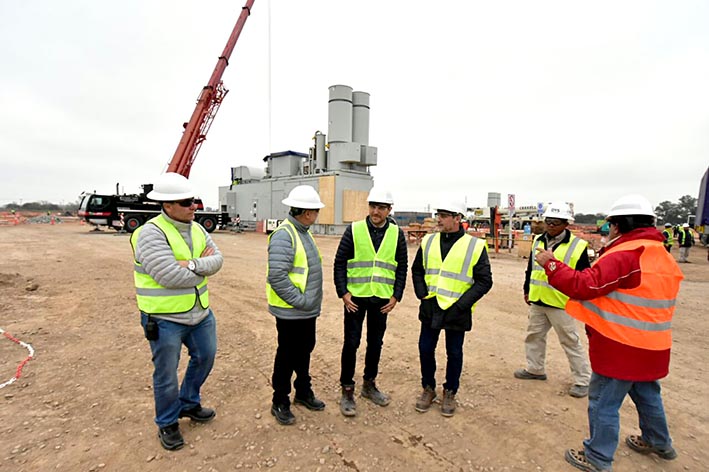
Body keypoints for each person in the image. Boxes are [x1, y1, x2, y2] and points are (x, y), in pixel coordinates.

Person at [534, 194, 683, 472]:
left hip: (620, 344)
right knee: (648, 394)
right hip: (653, 344)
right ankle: (660, 442)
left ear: (616, 226)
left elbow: (584, 286)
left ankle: (598, 456)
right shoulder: (660, 254)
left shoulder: (627, 254)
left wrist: (551, 265)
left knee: (604, 401)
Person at [130, 172, 224, 451]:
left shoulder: (198, 228)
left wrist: (190, 265)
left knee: (205, 357)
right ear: (167, 205)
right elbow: (169, 276)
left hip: (200, 314)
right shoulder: (149, 234)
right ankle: (168, 422)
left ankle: (189, 403)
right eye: (186, 203)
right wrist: (200, 267)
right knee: (166, 373)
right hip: (164, 318)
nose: (193, 206)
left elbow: (218, 261)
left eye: (193, 201)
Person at [411, 201, 493, 416]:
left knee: (454, 353)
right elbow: (417, 270)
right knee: (425, 348)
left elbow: (484, 281)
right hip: (431, 304)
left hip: (458, 308)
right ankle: (428, 388)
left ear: (458, 218)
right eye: (439, 214)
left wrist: (463, 304)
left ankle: (450, 391)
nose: (439, 219)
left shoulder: (475, 246)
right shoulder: (428, 241)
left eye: (444, 215)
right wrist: (422, 294)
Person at [333, 187, 408, 417]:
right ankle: (347, 389)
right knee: (351, 343)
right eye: (373, 206)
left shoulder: (396, 234)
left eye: (381, 207)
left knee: (375, 343)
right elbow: (340, 263)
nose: (376, 211)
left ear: (389, 210)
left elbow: (401, 267)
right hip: (355, 298)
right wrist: (343, 293)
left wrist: (396, 296)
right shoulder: (354, 230)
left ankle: (369, 385)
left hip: (381, 299)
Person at [514, 202, 592, 398]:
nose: (550, 226)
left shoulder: (577, 246)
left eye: (555, 223)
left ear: (566, 224)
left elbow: (583, 276)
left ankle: (583, 380)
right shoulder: (538, 241)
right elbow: (531, 269)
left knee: (570, 341)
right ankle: (535, 369)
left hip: (561, 302)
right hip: (538, 299)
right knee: (534, 336)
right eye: (548, 222)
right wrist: (527, 290)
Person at [267, 185, 326, 425]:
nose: (317, 214)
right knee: (287, 355)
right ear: (308, 212)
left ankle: (302, 392)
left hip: (305, 311)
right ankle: (279, 400)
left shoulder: (303, 231)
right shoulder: (285, 234)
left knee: (304, 351)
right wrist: (301, 301)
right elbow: (277, 277)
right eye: (316, 210)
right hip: (292, 311)